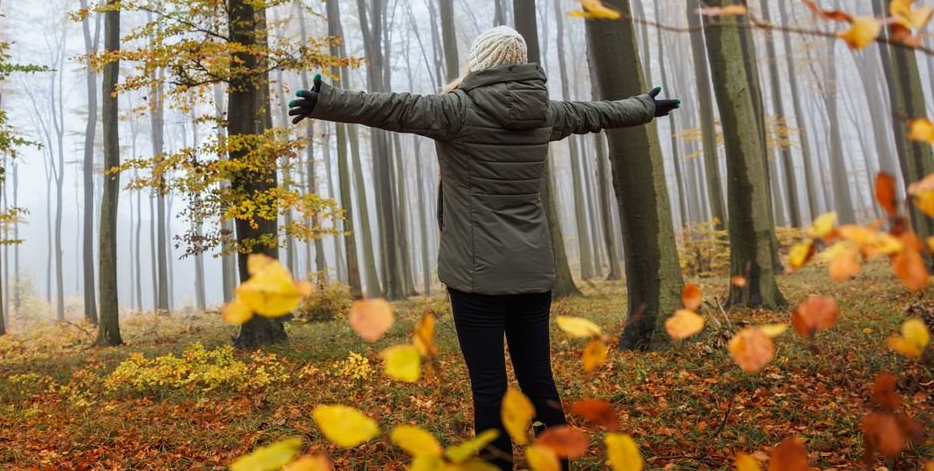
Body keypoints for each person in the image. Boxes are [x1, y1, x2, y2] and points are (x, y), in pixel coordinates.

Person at [288, 25, 680, 470]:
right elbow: (597, 114)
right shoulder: (545, 112)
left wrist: (326, 101)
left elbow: (391, 108)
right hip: (532, 272)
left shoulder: (456, 109)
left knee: (489, 387)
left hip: (476, 278)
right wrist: (645, 107)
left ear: (478, 62)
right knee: (539, 380)